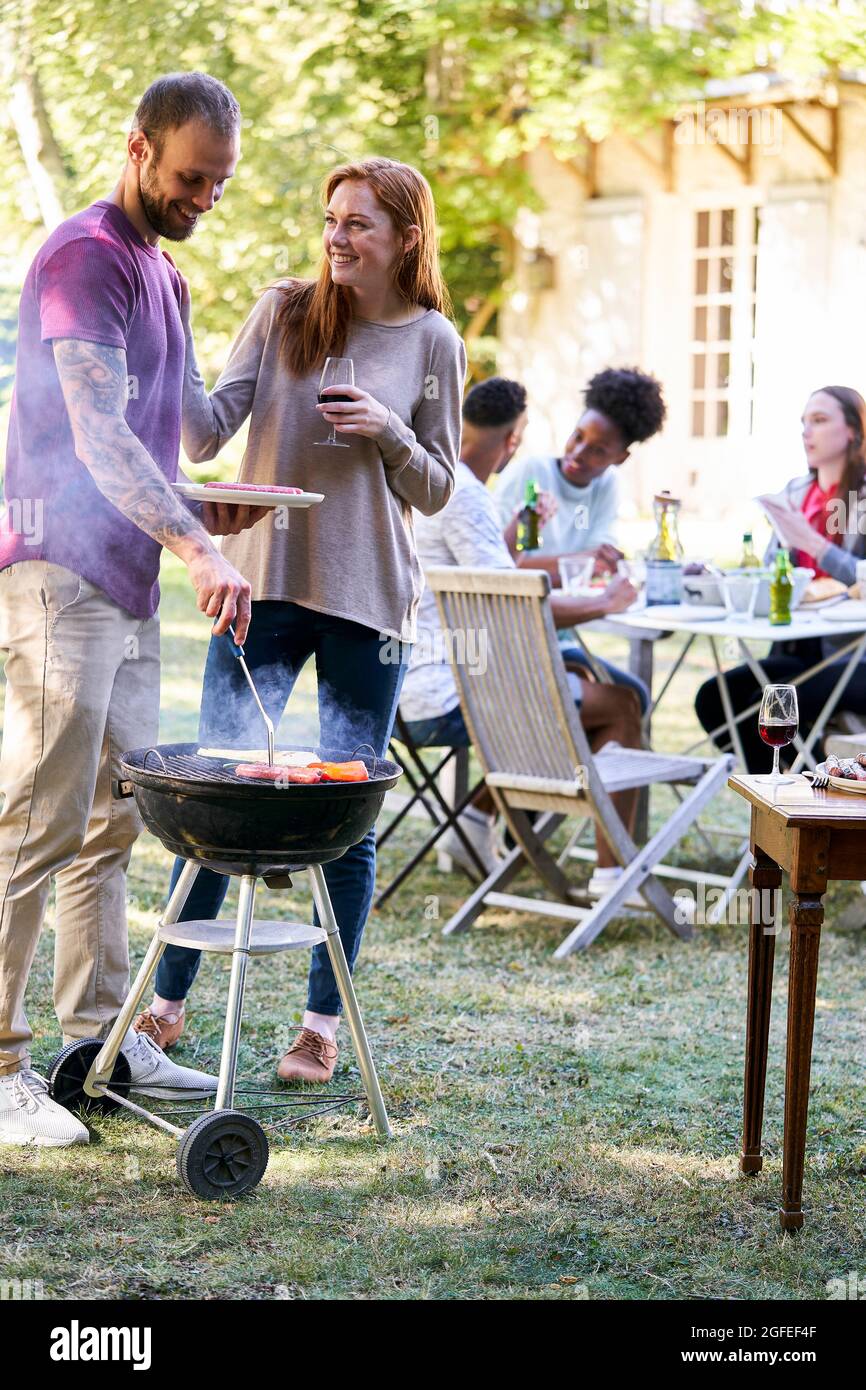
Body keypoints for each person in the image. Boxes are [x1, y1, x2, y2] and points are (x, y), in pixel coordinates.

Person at [133, 157, 465, 1083]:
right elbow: (203, 431)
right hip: (262, 585)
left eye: (360, 223)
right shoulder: (285, 310)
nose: (338, 236)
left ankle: (320, 1027)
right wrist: (173, 329)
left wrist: (390, 432)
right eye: (332, 219)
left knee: (347, 819)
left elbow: (435, 490)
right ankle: (165, 1007)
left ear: (405, 236)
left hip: (368, 601)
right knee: (214, 799)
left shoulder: (433, 342)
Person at [0, 73, 271, 1147]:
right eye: (191, 176)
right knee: (37, 821)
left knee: (116, 822)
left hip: (130, 578)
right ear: (138, 148)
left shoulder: (166, 275)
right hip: (59, 571)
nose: (206, 196)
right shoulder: (84, 259)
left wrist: (274, 331)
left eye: (220, 183)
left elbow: (193, 429)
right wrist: (200, 543)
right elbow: (103, 435)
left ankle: (99, 1042)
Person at [399, 377, 642, 895]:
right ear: (512, 441)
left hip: (399, 690)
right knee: (620, 705)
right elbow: (513, 611)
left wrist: (511, 532)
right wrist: (605, 601)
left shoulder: (427, 482)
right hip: (446, 695)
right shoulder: (466, 497)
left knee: (581, 682)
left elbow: (486, 579)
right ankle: (611, 875)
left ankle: (477, 819)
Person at [696, 385, 866, 772]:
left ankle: (802, 794)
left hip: (857, 653)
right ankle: (783, 792)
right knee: (716, 697)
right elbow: (777, 569)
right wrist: (779, 547)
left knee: (781, 704)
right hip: (799, 645)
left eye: (820, 421)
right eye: (804, 422)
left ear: (853, 430)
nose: (807, 432)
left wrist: (813, 543)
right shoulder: (796, 491)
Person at [496, 366, 667, 585]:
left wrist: (589, 565)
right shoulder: (530, 471)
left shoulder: (609, 485)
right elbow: (498, 564)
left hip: (574, 605)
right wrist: (583, 564)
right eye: (578, 436)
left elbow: (600, 564)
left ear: (620, 458)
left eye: (598, 451)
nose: (578, 454)